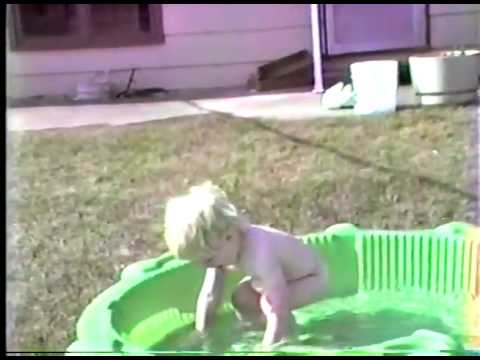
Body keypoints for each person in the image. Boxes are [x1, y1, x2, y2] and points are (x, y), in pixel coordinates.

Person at [163, 181, 328, 347]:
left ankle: (286, 339)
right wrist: (201, 333)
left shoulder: (260, 254)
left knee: (269, 304)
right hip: (282, 280)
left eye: (208, 260)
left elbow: (278, 306)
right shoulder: (221, 249)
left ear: (228, 236)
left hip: (310, 279)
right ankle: (262, 329)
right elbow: (210, 295)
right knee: (241, 297)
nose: (206, 266)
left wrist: (267, 348)